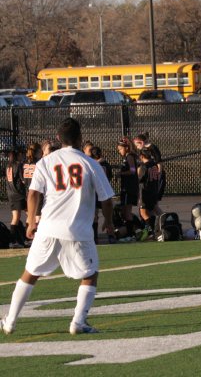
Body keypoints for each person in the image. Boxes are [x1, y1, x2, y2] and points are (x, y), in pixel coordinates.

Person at [0, 118, 115, 336]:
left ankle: (10, 321)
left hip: (48, 227)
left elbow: (33, 193)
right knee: (89, 274)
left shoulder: (46, 161)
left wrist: (32, 221)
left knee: (30, 274)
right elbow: (107, 199)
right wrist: (108, 222)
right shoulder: (90, 163)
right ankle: (78, 322)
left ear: (58, 139)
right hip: (78, 230)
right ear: (80, 138)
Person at [133, 132, 165, 214]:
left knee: (154, 204)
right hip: (149, 177)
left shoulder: (152, 148)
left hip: (155, 176)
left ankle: (163, 221)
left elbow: (159, 162)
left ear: (142, 142)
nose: (137, 147)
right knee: (150, 204)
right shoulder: (144, 151)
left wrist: (158, 174)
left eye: (137, 145)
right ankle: (151, 221)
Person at [116, 138, 140, 240]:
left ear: (126, 148)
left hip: (129, 188)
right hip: (126, 188)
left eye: (120, 149)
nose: (119, 151)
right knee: (125, 211)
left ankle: (131, 235)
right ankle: (130, 232)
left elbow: (133, 170)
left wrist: (120, 173)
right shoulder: (126, 157)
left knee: (127, 212)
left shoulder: (129, 156)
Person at [136, 149, 161, 238]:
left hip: (145, 191)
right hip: (153, 190)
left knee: (143, 213)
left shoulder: (144, 166)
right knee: (153, 211)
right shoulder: (154, 165)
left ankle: (151, 231)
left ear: (142, 156)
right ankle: (162, 225)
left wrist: (137, 172)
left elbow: (139, 179)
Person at [5, 148, 27, 248]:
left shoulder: (8, 166)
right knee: (31, 214)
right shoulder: (18, 165)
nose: (22, 156)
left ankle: (14, 240)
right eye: (21, 154)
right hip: (18, 194)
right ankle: (27, 237)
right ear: (18, 155)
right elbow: (23, 180)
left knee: (15, 218)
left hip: (11, 193)